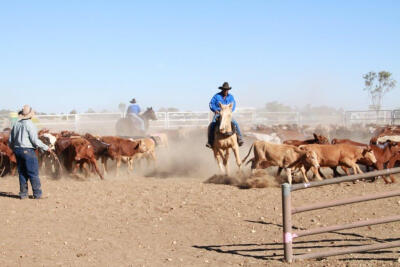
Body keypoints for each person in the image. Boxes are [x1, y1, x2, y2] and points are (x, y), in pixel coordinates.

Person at [8, 105, 52, 199]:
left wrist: (15, 149)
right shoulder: (30, 125)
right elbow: (34, 140)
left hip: (18, 150)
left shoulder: (16, 124)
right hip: (28, 150)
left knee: (22, 172)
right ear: (31, 115)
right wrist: (46, 147)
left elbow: (10, 140)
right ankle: (37, 194)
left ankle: (23, 194)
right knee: (33, 172)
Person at [206, 82, 244, 148]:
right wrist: (215, 110)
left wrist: (229, 111)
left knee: (235, 123)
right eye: (224, 89)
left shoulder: (231, 97)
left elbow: (233, 105)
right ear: (222, 89)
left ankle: (240, 139)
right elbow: (211, 104)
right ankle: (210, 141)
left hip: (227, 115)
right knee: (212, 125)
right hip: (219, 114)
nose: (226, 91)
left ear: (228, 90)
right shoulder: (216, 96)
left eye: (227, 90)